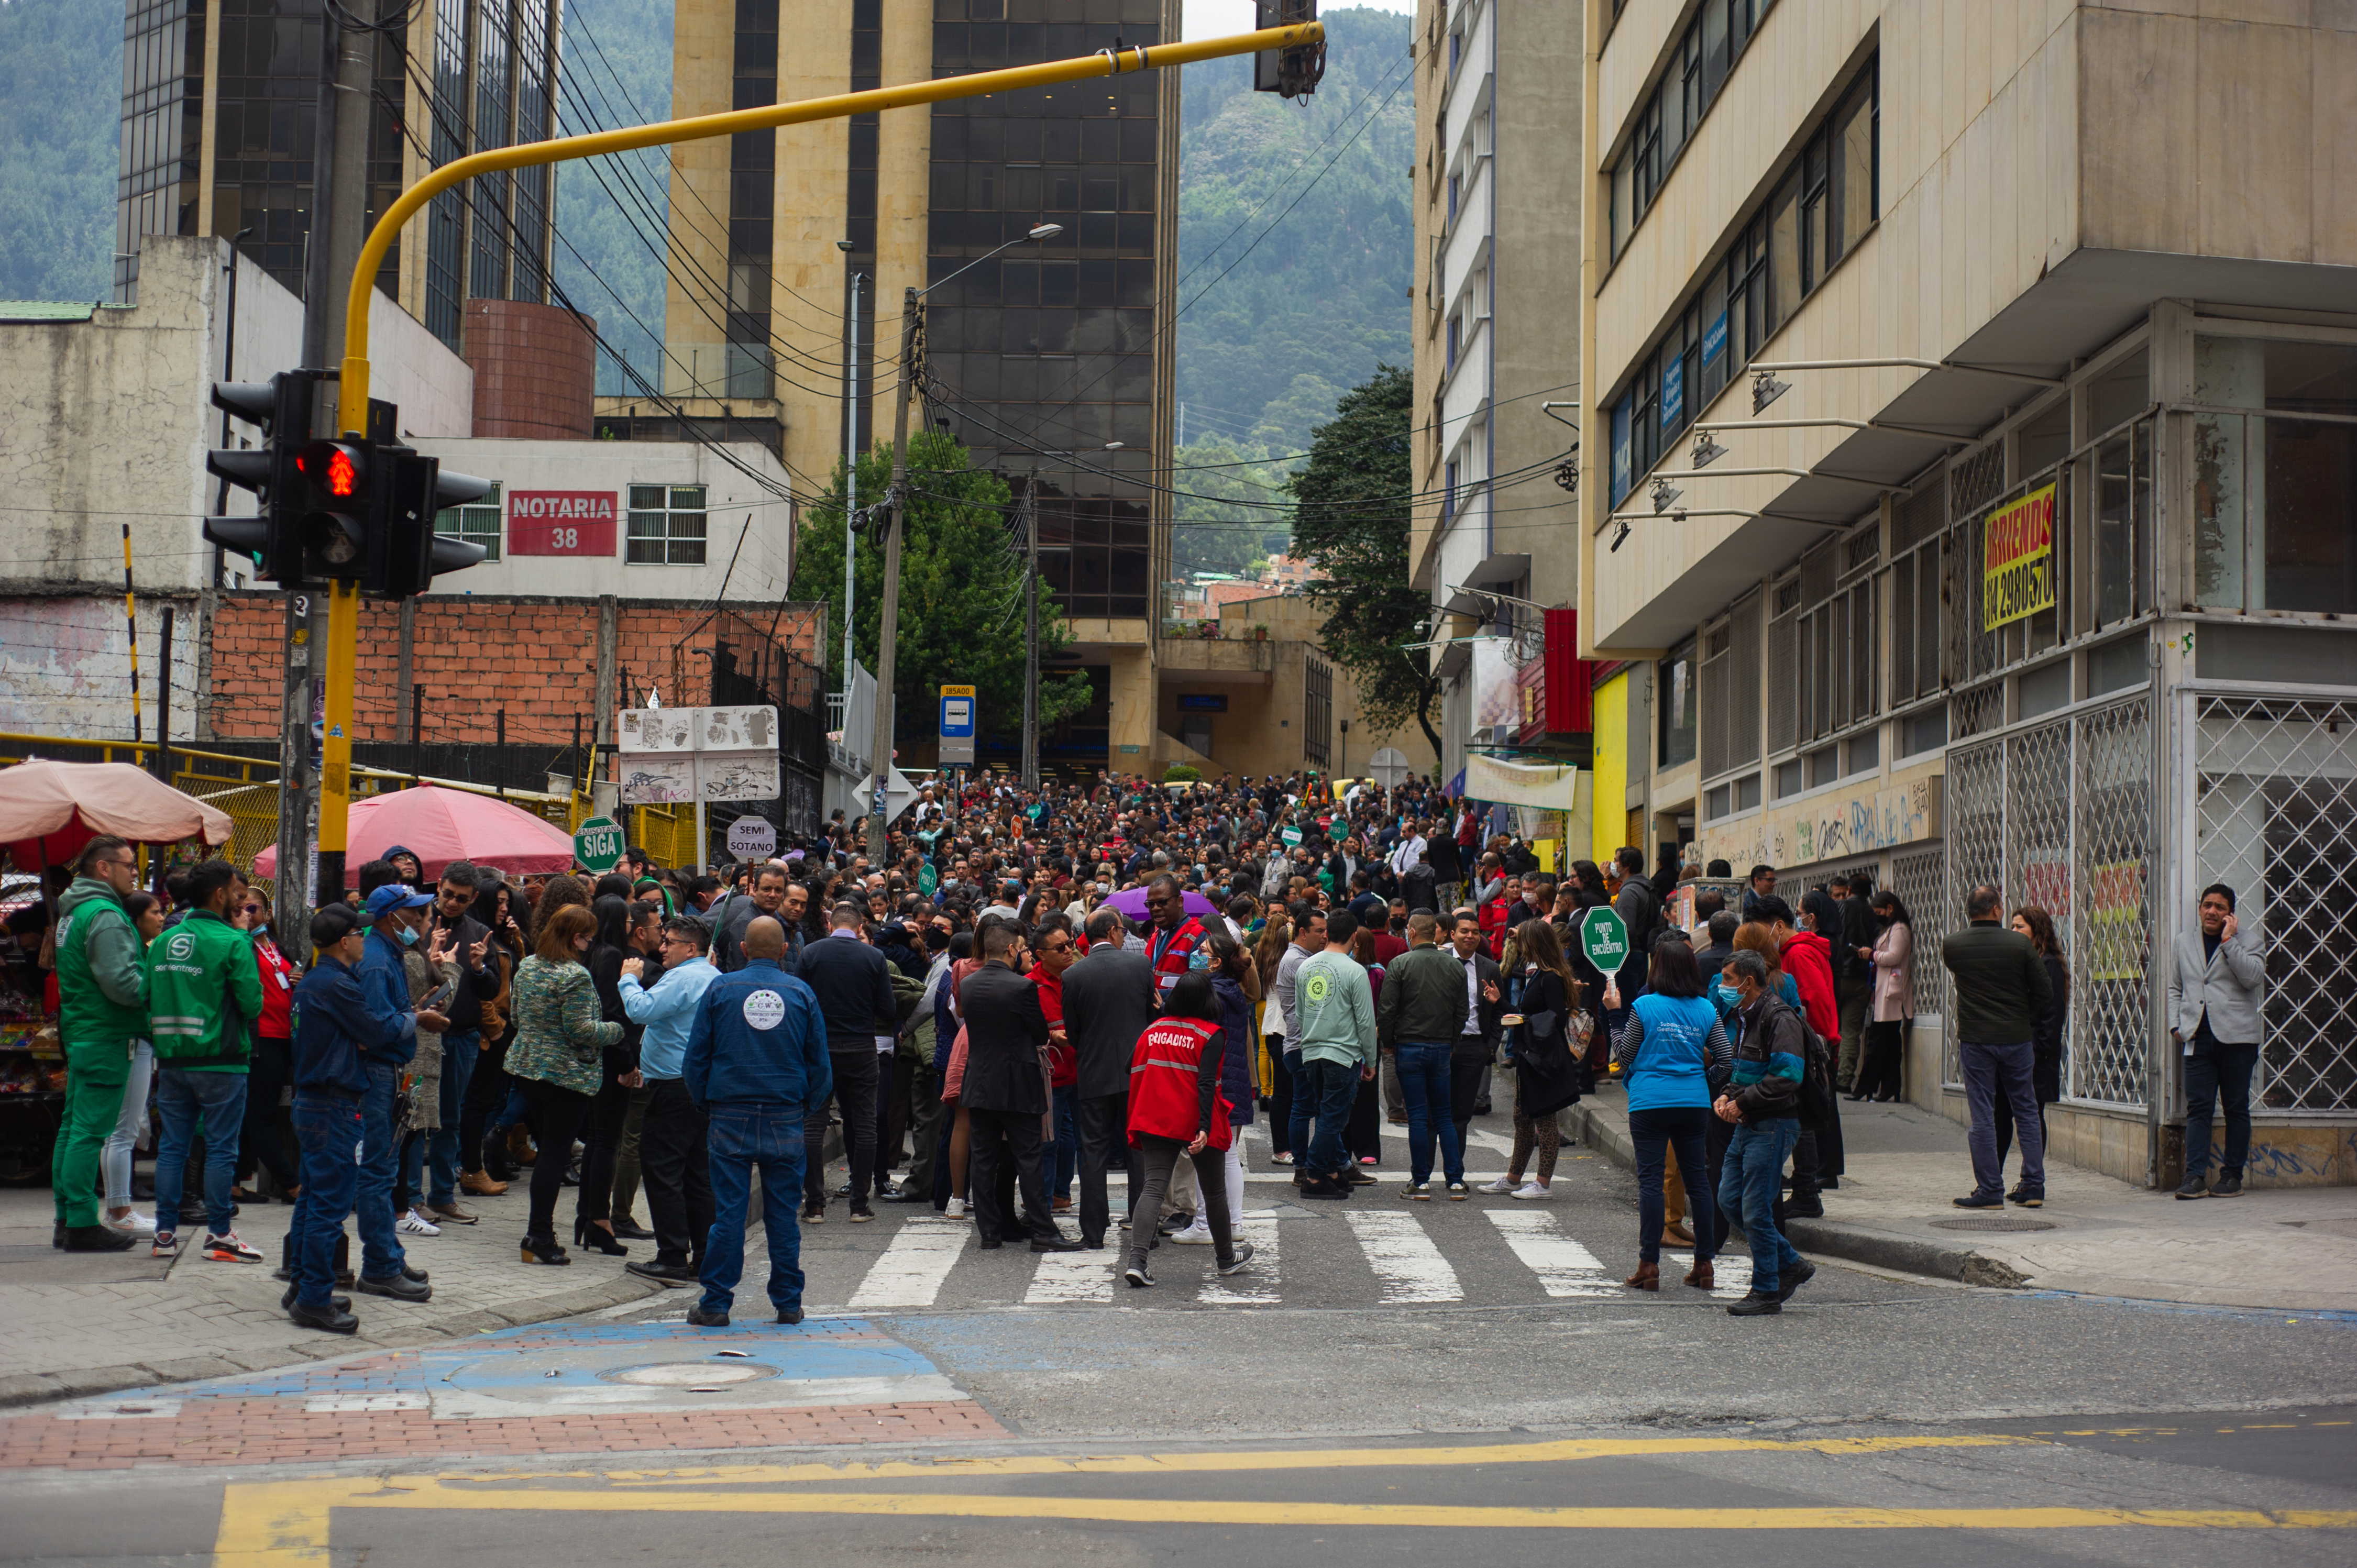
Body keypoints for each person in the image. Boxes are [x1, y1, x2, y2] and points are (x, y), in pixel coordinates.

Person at [681, 915, 832, 1326]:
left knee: (729, 1211)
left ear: (744, 950)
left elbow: (695, 1059)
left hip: (729, 1111)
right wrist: (805, 1109)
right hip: (785, 1113)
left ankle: (715, 1302)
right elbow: (820, 1066)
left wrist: (705, 1104)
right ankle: (788, 1302)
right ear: (785, 951)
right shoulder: (801, 993)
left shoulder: (721, 988)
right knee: (783, 1213)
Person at [283, 904, 411, 1333]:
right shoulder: (336, 984)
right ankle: (314, 1300)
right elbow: (375, 1031)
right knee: (328, 1205)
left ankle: (303, 1287)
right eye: (359, 934)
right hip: (332, 1104)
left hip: (316, 1101)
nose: (364, 940)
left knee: (313, 1199)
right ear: (345, 941)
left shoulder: (317, 982)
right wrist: (414, 1019)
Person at [143, 859, 269, 1263]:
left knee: (173, 1148)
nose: (243, 899)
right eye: (237, 891)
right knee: (220, 1149)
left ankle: (164, 1234)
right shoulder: (233, 942)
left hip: (172, 1063)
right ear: (220, 895)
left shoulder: (163, 941)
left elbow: (147, 997)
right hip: (222, 1062)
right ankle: (219, 1235)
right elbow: (252, 1004)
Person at [1606, 940, 1728, 1291]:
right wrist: (1700, 1082)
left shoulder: (1644, 1006)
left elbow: (1624, 1055)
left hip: (1649, 1102)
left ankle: (1649, 1265)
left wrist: (1615, 1014)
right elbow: (1725, 1060)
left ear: (1656, 969)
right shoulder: (1707, 1009)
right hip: (1693, 1103)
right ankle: (1704, 1263)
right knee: (1698, 1182)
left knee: (1651, 1181)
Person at [1121, 973, 1256, 1288]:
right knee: (1213, 1190)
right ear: (1208, 999)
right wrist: (1205, 1128)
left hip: (1156, 1116)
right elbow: (1207, 1083)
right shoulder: (1210, 1033)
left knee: (1153, 1187)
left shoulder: (1153, 1029)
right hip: (1195, 1119)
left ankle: (1137, 1262)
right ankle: (1226, 1259)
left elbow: (1130, 1065)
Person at [505, 903, 622, 1264]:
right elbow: (581, 1030)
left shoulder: (527, 966)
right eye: (588, 937)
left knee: (548, 1154)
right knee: (554, 1158)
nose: (591, 943)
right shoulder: (574, 975)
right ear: (576, 938)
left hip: (527, 1069)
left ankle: (540, 1233)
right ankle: (539, 1235)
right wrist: (616, 1030)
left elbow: (515, 1016)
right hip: (564, 1074)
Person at [50, 837, 149, 1253]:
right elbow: (123, 984)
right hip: (106, 1034)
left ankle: (67, 1216)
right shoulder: (105, 916)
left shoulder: (75, 913)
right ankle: (79, 1222)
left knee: (74, 1129)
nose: (135, 874)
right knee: (89, 1132)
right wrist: (160, 990)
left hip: (85, 1032)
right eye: (130, 866)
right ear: (104, 868)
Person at [960, 921, 1083, 1251]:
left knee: (984, 1158)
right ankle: (1043, 1232)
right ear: (1012, 949)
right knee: (1029, 1157)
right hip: (1018, 1081)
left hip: (980, 1081)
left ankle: (990, 1232)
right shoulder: (1021, 987)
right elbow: (1040, 1034)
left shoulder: (969, 984)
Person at [348, 882, 442, 1298]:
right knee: (378, 1172)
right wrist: (417, 1020)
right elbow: (372, 1029)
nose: (424, 923)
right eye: (417, 915)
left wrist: (413, 1014)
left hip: (387, 1070)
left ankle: (388, 1255)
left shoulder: (388, 955)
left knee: (384, 1170)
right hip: (377, 1072)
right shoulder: (375, 962)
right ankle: (381, 1265)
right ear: (393, 918)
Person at [618, 914, 721, 1285]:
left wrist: (628, 979)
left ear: (691, 948)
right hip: (696, 1084)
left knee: (662, 1169)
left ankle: (673, 1257)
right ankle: (705, 1255)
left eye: (670, 942)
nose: (662, 948)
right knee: (696, 1174)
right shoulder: (711, 975)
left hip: (675, 1086)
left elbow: (641, 1010)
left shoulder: (686, 976)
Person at [1713, 949, 1814, 1317]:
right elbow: (1744, 1071)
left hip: (1773, 1125)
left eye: (1727, 979)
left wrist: (1745, 1102)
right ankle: (1791, 1263)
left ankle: (1766, 1290)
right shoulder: (1744, 1015)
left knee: (1755, 1208)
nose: (1722, 986)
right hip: (1749, 1122)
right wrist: (1728, 1095)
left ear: (1748, 982)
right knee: (1729, 1200)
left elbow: (1788, 1076)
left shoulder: (1778, 1017)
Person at [1940, 884, 2052, 1210]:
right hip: (2017, 1039)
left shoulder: (1953, 945)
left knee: (1983, 1115)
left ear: (1968, 911)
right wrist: (2020, 1013)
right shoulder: (2019, 944)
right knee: (2027, 1111)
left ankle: (1989, 1190)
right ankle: (2034, 1186)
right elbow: (2044, 992)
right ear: (1997, 910)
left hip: (1976, 1040)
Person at [793, 901, 898, 1223]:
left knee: (813, 1123)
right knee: (864, 1123)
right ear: (859, 929)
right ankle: (859, 1205)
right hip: (861, 1047)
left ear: (830, 926)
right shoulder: (874, 957)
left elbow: (799, 1000)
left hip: (819, 1048)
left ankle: (814, 1205)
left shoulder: (811, 954)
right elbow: (889, 1009)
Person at [2169, 882, 2264, 1200]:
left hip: (2237, 1038)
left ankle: (2232, 1176)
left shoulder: (2250, 941)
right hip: (2197, 1037)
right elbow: (2175, 988)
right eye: (2207, 905)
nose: (2212, 911)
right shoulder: (2184, 942)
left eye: (2220, 907)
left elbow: (2252, 979)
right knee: (2199, 1108)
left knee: (2236, 1107)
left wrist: (2229, 943)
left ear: (2230, 914)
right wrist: (2175, 1027)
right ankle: (2194, 1177)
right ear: (2200, 908)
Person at [1483, 918, 1590, 1199]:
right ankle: (1513, 1179)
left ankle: (1543, 1184)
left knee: (1544, 1121)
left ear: (1535, 944)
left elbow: (1553, 1019)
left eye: (1523, 942)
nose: (1519, 948)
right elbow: (1528, 1014)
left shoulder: (1551, 977)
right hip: (1531, 1057)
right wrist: (1500, 1002)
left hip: (1543, 1059)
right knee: (1522, 1117)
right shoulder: (1540, 974)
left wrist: (1521, 1018)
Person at [418, 863, 499, 1226]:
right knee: (417, 1119)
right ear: (439, 887)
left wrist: (480, 968)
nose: (452, 903)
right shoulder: (417, 926)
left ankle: (442, 1196)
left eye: (461, 899)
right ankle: (409, 1198)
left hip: (462, 1036)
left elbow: (491, 990)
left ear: (473, 899)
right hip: (421, 1034)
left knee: (449, 1119)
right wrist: (426, 955)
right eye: (448, 894)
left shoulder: (480, 934)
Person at [1374, 911, 1468, 1198]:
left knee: (1416, 1116)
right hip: (1441, 1047)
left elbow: (1387, 1010)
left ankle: (1421, 1181)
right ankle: (1455, 1181)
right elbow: (1462, 1013)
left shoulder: (1400, 964)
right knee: (1443, 1116)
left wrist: (1388, 1042)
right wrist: (1451, 1041)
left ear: (1412, 932)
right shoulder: (1456, 967)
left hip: (1409, 1047)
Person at [1290, 908, 1376, 1199]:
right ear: (1354, 936)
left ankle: (1331, 1171)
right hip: (1342, 1053)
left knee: (1325, 1113)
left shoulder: (1306, 967)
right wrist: (1371, 1059)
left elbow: (1300, 1014)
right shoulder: (1355, 970)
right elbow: (1366, 1022)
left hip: (1312, 1050)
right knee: (1332, 1119)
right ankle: (1314, 1176)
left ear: (1327, 934)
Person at [99, 892, 167, 1235]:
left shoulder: (141, 947)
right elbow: (137, 992)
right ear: (136, 918)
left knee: (119, 1132)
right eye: (155, 912)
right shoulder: (132, 950)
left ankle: (118, 1209)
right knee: (122, 1132)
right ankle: (120, 1211)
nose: (161, 917)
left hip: (131, 1040)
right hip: (131, 1039)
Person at [232, 886, 302, 1209]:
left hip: (285, 1036)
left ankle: (235, 1182)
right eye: (241, 909)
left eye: (254, 909)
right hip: (261, 1038)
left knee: (255, 1112)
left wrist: (299, 978)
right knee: (261, 1114)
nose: (248, 914)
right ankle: (292, 1185)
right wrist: (242, 931)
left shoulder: (276, 946)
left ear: (268, 913)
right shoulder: (242, 944)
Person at [2002, 904, 2068, 1203]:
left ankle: (2032, 1182)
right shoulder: (2023, 961)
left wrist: (2039, 1052)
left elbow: (2052, 1017)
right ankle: (1998, 1180)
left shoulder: (2048, 964)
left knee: (2030, 1116)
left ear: (2037, 930)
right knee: (2002, 1116)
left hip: (2034, 1056)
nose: (2014, 932)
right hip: (2015, 1052)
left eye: (2020, 927)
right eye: (2013, 926)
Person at [1442, 909, 1504, 1173]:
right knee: (1434, 1114)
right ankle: (1422, 1173)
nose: (1470, 936)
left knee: (1461, 1115)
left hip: (1473, 1048)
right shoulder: (1439, 961)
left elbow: (1498, 1010)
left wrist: (1488, 1047)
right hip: (1441, 1046)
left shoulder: (1489, 967)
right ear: (1452, 934)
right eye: (1465, 931)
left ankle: (1455, 1171)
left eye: (1476, 932)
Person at [1851, 891, 1913, 1102]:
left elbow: (1894, 956)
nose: (1878, 916)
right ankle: (1889, 1087)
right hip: (1883, 991)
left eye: (1879, 912)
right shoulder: (1891, 928)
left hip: (1891, 993)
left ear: (1890, 908)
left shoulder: (1901, 929)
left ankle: (1866, 1087)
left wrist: (1872, 955)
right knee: (1890, 1046)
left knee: (1878, 1044)